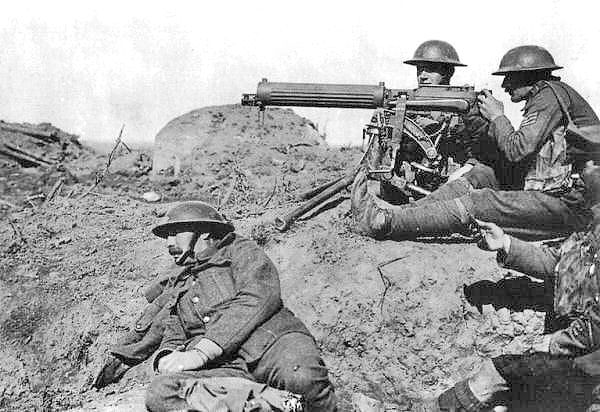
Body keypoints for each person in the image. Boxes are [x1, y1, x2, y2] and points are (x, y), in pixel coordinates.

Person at [93, 201, 337, 411]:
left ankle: (267, 401)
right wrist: (168, 357)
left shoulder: (239, 251)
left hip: (274, 345)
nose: (168, 241)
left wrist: (202, 352)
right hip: (230, 369)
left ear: (204, 232)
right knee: (162, 393)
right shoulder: (182, 282)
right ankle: (277, 403)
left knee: (302, 378)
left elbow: (258, 295)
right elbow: (175, 331)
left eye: (175, 231)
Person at [353, 45, 600, 240]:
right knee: (481, 174)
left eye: (510, 78)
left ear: (529, 76)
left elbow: (518, 150)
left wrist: (498, 117)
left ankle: (385, 223)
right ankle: (398, 214)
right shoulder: (550, 95)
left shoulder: (548, 95)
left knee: (480, 202)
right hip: (560, 194)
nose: (504, 85)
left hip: (575, 205)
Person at [407, 162, 600, 412]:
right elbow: (560, 263)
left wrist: (556, 343)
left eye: (591, 162)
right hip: (578, 347)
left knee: (495, 375)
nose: (579, 170)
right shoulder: (593, 219)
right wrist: (505, 243)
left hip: (589, 359)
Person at [380, 40, 492, 203]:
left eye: (431, 70)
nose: (423, 76)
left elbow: (485, 152)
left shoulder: (467, 106)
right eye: (420, 69)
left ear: (448, 72)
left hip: (453, 187)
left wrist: (463, 172)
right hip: (412, 187)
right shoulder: (409, 105)